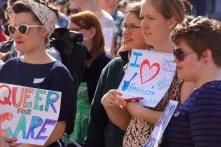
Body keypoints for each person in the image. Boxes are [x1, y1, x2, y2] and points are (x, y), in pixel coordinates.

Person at [101, 0, 195, 146]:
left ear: (170, 22)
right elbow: (130, 124)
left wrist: (140, 112)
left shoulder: (186, 65)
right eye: (142, 17)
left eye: (150, 18)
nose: (143, 24)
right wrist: (111, 106)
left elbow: (184, 123)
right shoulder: (140, 61)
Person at [0, 0, 76, 147]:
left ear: (44, 30)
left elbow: (60, 127)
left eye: (23, 28)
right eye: (12, 28)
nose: (16, 34)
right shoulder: (7, 67)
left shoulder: (58, 73)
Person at [85, 2, 149, 147]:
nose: (126, 32)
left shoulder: (169, 68)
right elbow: (96, 122)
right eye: (125, 26)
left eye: (134, 26)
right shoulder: (114, 67)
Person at [161, 16, 221, 146]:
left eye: (179, 54)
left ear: (205, 55)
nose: (174, 60)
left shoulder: (207, 97)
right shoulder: (208, 93)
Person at [68, 10, 111, 143]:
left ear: (92, 32)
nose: (71, 36)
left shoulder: (106, 64)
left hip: (95, 133)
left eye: (75, 30)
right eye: (69, 31)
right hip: (71, 134)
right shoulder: (71, 63)